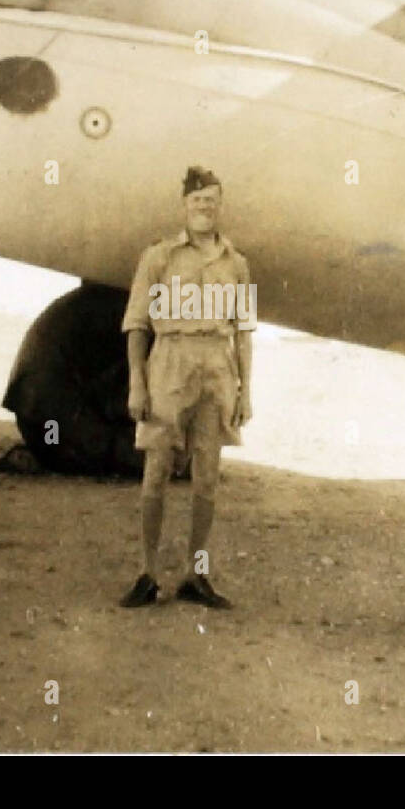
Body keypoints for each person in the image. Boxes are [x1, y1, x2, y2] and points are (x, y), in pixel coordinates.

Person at [119, 166, 255, 609]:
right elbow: (137, 325)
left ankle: (197, 575)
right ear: (185, 206)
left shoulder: (237, 264)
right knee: (156, 474)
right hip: (170, 366)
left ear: (220, 207)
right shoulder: (158, 257)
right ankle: (148, 573)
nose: (204, 208)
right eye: (197, 201)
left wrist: (245, 391)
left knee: (207, 480)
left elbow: (243, 332)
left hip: (217, 369)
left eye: (212, 201)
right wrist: (137, 384)